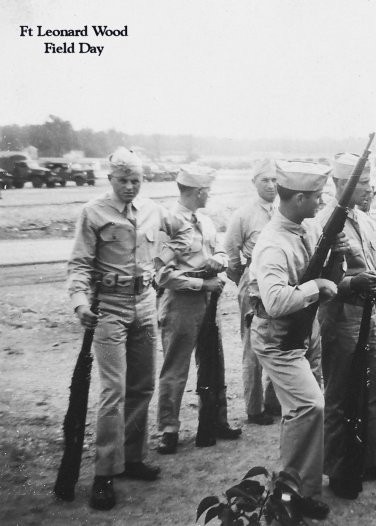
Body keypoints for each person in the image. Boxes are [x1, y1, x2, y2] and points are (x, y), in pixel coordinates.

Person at [67, 147, 193, 511]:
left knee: (142, 385)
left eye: (136, 180)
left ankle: (132, 459)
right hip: (108, 307)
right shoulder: (92, 213)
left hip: (144, 304)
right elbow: (78, 263)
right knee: (113, 391)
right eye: (123, 180)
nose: (130, 186)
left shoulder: (154, 210)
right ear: (110, 179)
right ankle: (104, 474)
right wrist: (80, 302)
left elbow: (184, 235)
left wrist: (160, 261)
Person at [249, 160, 349, 520]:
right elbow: (275, 302)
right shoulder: (274, 243)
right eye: (317, 198)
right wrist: (314, 287)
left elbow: (330, 282)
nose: (321, 204)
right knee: (308, 407)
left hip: (305, 330)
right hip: (278, 336)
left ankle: (302, 491)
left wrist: (336, 252)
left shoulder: (304, 230)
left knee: (307, 411)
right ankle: (285, 495)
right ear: (299, 198)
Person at [315, 153, 376, 500]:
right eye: (362, 183)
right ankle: (337, 469)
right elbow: (319, 279)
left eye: (369, 181)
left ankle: (367, 460)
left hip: (368, 314)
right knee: (340, 395)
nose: (369, 188)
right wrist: (351, 284)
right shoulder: (323, 222)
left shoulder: (364, 220)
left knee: (371, 390)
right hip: (341, 314)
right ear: (341, 185)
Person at [155, 167, 241, 455]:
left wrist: (217, 260)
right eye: (208, 190)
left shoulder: (204, 221)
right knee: (175, 368)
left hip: (208, 303)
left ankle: (216, 419)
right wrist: (201, 283)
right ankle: (168, 429)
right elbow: (162, 275)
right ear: (199, 191)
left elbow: (218, 250)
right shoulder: (168, 222)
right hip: (181, 304)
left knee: (213, 365)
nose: (210, 194)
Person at [224, 160, 280, 426]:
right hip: (253, 282)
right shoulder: (243, 215)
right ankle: (254, 408)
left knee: (278, 339)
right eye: (264, 180)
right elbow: (232, 256)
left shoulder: (283, 210)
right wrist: (243, 280)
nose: (270, 185)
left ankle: (274, 400)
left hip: (279, 282)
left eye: (274, 179)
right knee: (253, 345)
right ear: (254, 183)